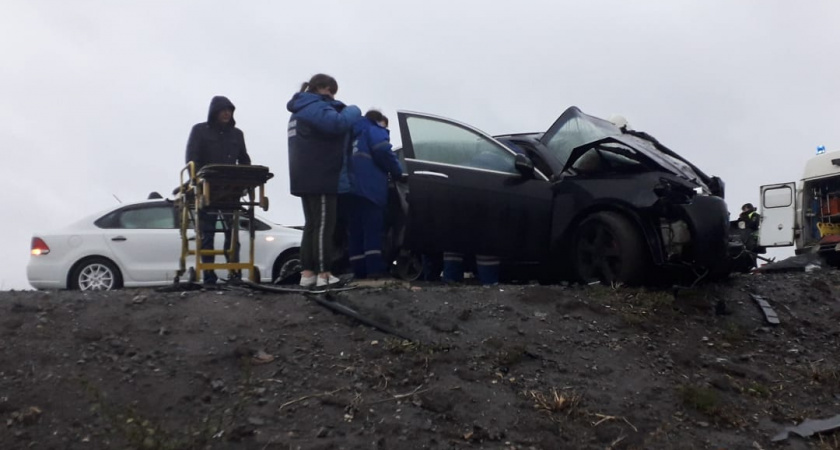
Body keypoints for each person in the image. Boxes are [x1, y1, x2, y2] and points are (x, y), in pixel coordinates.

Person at [287, 74, 362, 288]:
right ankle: (324, 273)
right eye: (332, 92)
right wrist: (353, 110)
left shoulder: (299, 109)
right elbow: (336, 124)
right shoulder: (313, 106)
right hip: (322, 175)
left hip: (305, 175)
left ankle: (308, 273)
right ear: (324, 88)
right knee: (324, 225)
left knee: (312, 225)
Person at [185, 96, 251, 286]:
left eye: (230, 110)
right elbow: (191, 159)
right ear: (214, 112)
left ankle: (234, 273)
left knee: (233, 234)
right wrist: (196, 182)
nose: (226, 113)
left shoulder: (237, 134)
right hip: (207, 189)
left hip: (231, 191)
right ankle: (209, 276)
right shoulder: (199, 131)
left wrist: (246, 180)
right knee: (207, 232)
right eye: (223, 110)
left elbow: (244, 159)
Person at [347, 110, 404, 279]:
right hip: (370, 188)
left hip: (349, 190)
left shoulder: (352, 135)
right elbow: (383, 151)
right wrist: (397, 172)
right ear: (379, 121)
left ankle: (359, 270)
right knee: (373, 229)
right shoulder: (374, 130)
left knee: (356, 231)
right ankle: (375, 270)